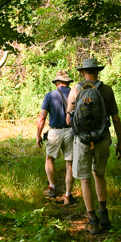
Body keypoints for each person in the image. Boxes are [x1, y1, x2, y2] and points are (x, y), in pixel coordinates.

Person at [66, 58, 121, 234]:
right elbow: (115, 118)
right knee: (99, 174)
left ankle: (92, 220)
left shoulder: (75, 90)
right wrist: (120, 142)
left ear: (82, 72)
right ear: (97, 71)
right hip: (102, 138)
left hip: (83, 140)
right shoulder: (106, 90)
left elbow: (68, 120)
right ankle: (103, 213)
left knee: (84, 178)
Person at [36, 70, 76, 205]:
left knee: (49, 158)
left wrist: (38, 135)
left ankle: (52, 188)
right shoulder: (75, 93)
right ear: (68, 82)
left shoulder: (50, 95)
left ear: (57, 83)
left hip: (55, 132)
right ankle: (68, 194)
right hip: (72, 132)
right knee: (69, 163)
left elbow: (42, 118)